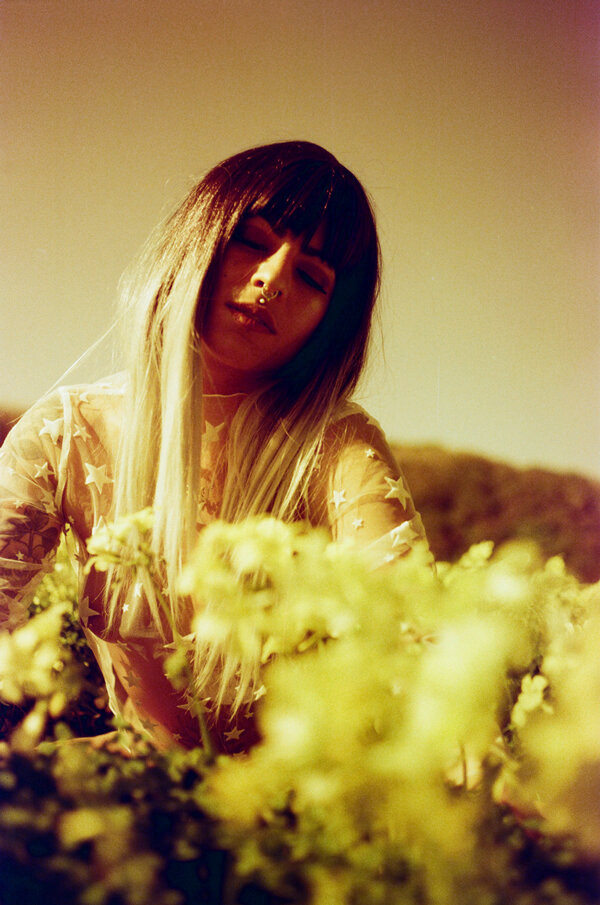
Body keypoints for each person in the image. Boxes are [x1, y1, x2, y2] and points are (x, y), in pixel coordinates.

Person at [0, 140, 430, 753]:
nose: (272, 279)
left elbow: (418, 649)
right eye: (251, 242)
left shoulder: (337, 447)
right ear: (198, 240)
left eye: (312, 276)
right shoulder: (67, 431)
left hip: (300, 800)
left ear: (330, 322)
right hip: (137, 789)